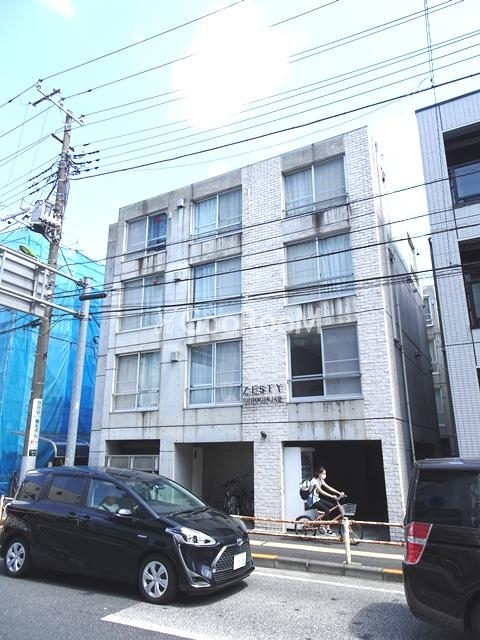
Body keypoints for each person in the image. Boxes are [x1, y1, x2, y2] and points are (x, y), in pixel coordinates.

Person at [309, 467, 345, 535]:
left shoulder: (320, 480)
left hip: (317, 499)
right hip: (312, 500)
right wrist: (331, 496)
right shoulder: (314, 481)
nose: (324, 475)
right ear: (318, 473)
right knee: (327, 510)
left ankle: (321, 517)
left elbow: (329, 488)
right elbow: (321, 491)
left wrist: (339, 493)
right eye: (323, 473)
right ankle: (327, 529)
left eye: (325, 473)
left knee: (332, 506)